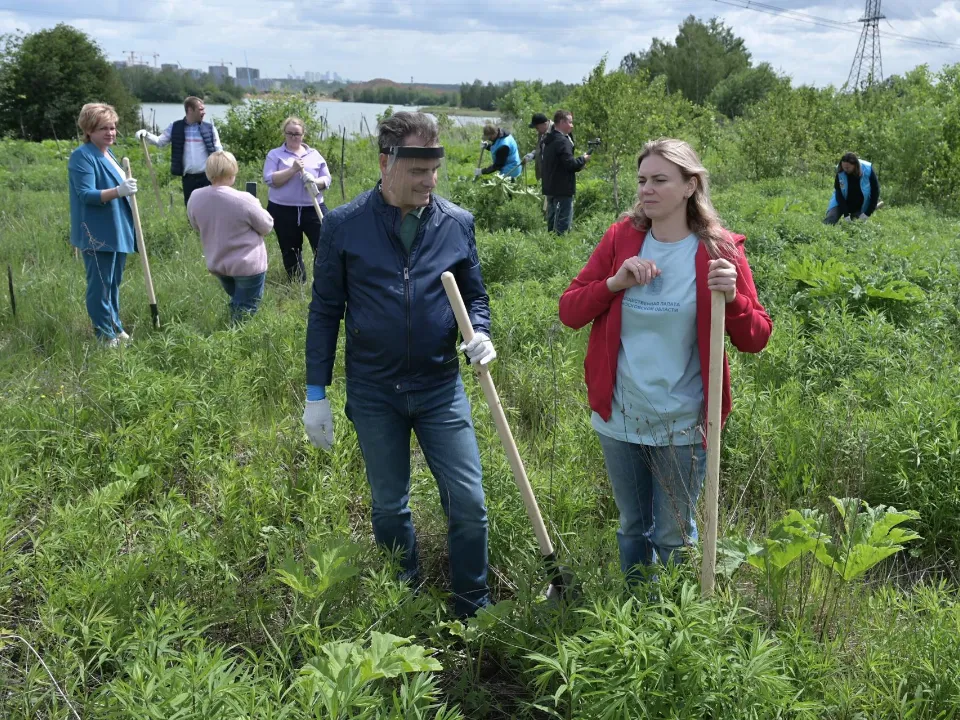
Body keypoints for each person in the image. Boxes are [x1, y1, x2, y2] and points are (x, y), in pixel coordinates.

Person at [303, 111, 495, 617]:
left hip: (439, 387)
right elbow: (324, 311)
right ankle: (404, 601)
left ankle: (472, 604)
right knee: (390, 505)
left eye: (434, 170)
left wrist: (480, 333)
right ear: (385, 163)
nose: (429, 181)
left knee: (469, 503)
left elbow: (475, 296)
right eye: (418, 171)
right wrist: (316, 393)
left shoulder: (456, 224)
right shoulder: (344, 226)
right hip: (374, 391)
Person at [558, 138, 772, 584]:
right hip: (621, 414)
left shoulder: (719, 250)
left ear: (690, 186)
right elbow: (570, 311)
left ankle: (676, 614)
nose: (646, 190)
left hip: (683, 421)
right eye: (642, 180)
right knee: (632, 526)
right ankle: (635, 607)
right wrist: (615, 283)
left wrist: (733, 298)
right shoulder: (621, 238)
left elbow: (756, 338)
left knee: (674, 535)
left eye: (660, 180)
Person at [68, 102, 139, 347]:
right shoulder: (82, 156)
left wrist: (124, 189)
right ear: (89, 130)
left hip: (117, 227)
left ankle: (115, 326)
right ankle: (104, 335)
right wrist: (119, 190)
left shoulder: (109, 153)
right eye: (103, 128)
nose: (110, 132)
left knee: (113, 283)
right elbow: (85, 194)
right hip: (96, 231)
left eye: (113, 127)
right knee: (100, 284)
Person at [186, 151, 274, 323]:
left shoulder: (195, 196)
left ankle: (232, 329)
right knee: (245, 310)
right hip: (247, 265)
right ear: (232, 171)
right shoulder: (244, 199)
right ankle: (238, 337)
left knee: (238, 302)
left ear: (208, 171)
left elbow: (195, 225)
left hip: (218, 264)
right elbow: (267, 226)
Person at [263, 117, 332, 282]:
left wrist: (315, 182)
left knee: (324, 246)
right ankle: (297, 284)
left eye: (297, 134)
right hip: (283, 210)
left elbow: (327, 179)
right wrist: (292, 170)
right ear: (284, 134)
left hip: (313, 208)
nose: (294, 137)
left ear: (303, 135)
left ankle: (323, 283)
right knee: (291, 250)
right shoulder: (275, 155)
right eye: (290, 133)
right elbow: (270, 179)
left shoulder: (314, 154)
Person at [136, 96, 223, 206]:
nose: (204, 112)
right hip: (188, 179)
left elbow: (219, 150)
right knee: (191, 208)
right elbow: (160, 141)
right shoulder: (176, 127)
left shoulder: (210, 128)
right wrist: (146, 134)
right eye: (201, 109)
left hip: (207, 178)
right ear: (190, 110)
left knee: (209, 208)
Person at [541, 110, 590, 234]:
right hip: (562, 188)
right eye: (570, 122)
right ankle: (560, 244)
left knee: (552, 222)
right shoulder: (563, 141)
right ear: (562, 122)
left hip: (550, 187)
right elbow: (571, 165)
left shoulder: (548, 140)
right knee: (562, 224)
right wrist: (583, 159)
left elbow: (559, 163)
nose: (572, 125)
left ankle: (549, 243)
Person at [823, 152, 880, 225]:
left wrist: (867, 213)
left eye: (848, 168)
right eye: (844, 167)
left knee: (855, 225)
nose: (845, 169)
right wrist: (845, 214)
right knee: (830, 219)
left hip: (859, 205)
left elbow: (875, 192)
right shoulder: (840, 169)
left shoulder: (868, 169)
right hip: (841, 201)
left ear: (855, 165)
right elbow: (838, 192)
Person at [521, 112, 552, 183]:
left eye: (537, 127)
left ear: (544, 124)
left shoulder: (555, 131)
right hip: (544, 174)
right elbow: (541, 149)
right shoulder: (541, 133)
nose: (536, 130)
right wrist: (531, 155)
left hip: (552, 175)